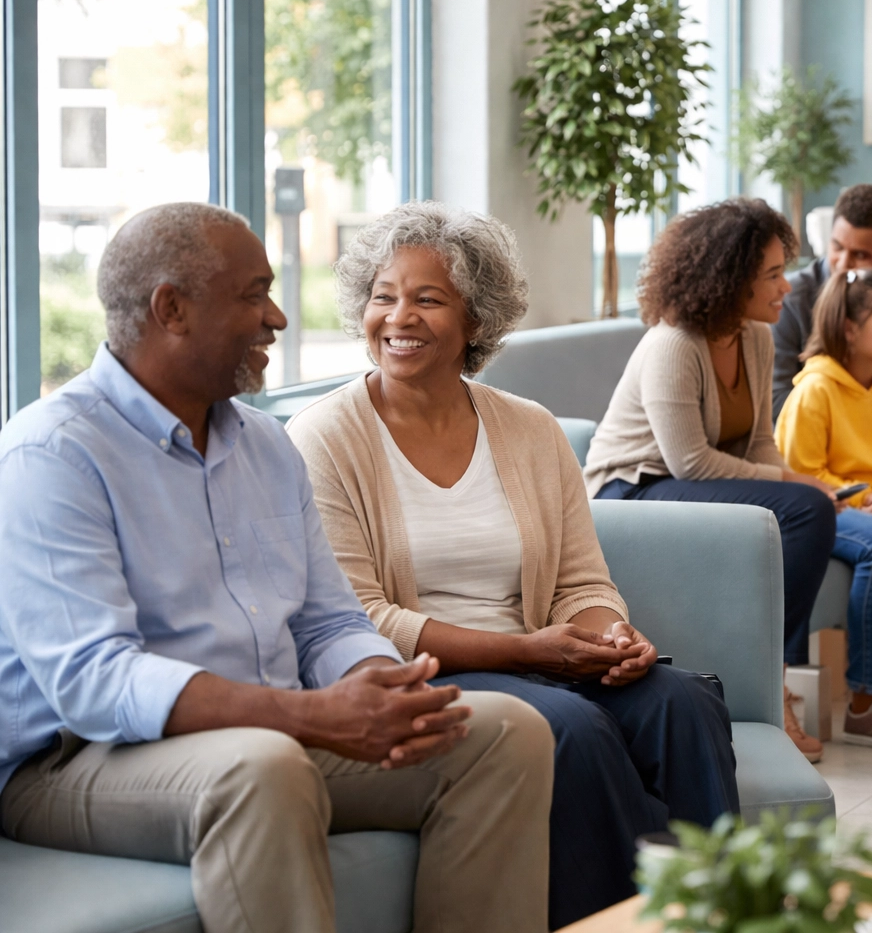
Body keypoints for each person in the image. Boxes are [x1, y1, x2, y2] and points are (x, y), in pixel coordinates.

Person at [0, 203, 555, 933]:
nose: (278, 318)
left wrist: (376, 686)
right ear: (171, 309)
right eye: (253, 295)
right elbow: (93, 680)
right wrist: (310, 716)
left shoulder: (265, 445)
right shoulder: (54, 453)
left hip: (271, 733)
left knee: (504, 733)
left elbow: (327, 621)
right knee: (265, 767)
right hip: (82, 761)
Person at [286, 201, 738, 929]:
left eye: (428, 299)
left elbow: (580, 581)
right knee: (574, 728)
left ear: (476, 318)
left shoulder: (530, 427)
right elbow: (363, 617)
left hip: (544, 654)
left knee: (681, 702)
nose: (398, 318)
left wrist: (610, 636)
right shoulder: (323, 436)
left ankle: (726, 912)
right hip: (429, 673)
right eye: (383, 296)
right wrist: (528, 652)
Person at [585, 198, 838, 762]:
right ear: (730, 278)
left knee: (803, 506)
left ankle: (766, 676)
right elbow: (691, 463)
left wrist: (793, 482)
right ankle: (773, 681)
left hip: (688, 485)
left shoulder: (754, 336)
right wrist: (796, 483)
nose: (786, 287)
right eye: (772, 274)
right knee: (807, 509)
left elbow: (758, 443)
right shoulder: (674, 344)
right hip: (630, 488)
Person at [775, 269, 872, 750]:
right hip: (826, 507)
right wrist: (867, 499)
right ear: (849, 328)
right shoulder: (815, 391)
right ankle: (866, 701)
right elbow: (802, 473)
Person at [771, 183, 872, 417]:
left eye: (860, 255)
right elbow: (776, 398)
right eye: (837, 247)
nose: (843, 264)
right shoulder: (791, 298)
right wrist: (856, 416)